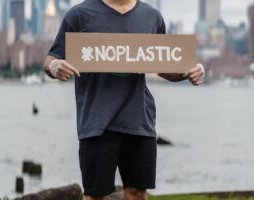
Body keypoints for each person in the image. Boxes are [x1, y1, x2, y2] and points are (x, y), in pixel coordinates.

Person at [44, 0, 205, 199]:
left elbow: (164, 65)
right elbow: (51, 59)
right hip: (97, 122)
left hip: (139, 120)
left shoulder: (152, 17)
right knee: (95, 195)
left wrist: (189, 72)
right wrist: (54, 67)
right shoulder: (79, 15)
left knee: (138, 193)